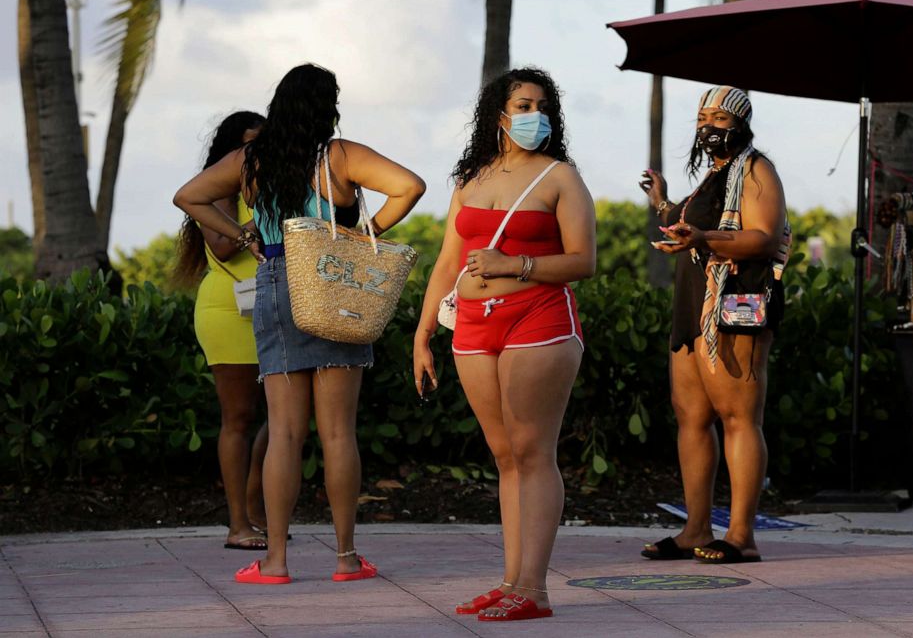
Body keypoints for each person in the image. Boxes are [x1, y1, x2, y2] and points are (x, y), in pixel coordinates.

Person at [175, 63, 425, 584]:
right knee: (338, 433)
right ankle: (346, 559)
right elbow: (410, 186)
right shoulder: (339, 155)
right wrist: (365, 234)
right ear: (327, 107)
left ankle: (276, 561)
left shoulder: (251, 159)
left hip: (276, 278)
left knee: (284, 432)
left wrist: (241, 236)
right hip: (334, 282)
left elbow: (189, 197)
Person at [413, 67, 596, 621]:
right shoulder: (471, 179)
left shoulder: (562, 178)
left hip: (537, 317)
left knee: (533, 450)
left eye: (541, 105)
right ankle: (512, 579)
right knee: (504, 455)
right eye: (522, 105)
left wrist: (514, 264)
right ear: (499, 114)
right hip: (471, 323)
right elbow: (448, 261)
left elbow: (583, 261)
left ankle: (534, 590)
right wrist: (422, 332)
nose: (532, 114)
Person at [639, 86, 790, 565]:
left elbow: (764, 238)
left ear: (742, 123)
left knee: (739, 417)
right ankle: (695, 529)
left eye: (721, 116)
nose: (710, 125)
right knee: (692, 418)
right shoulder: (715, 176)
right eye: (703, 116)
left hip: (733, 305)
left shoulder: (756, 169)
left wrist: (703, 236)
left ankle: (741, 535)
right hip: (693, 306)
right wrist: (664, 205)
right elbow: (690, 225)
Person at [173, 111, 270, 551]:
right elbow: (224, 247)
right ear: (231, 149)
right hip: (229, 309)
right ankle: (239, 523)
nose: (258, 152)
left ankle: (255, 499)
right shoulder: (220, 191)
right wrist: (264, 215)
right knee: (239, 417)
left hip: (271, 303)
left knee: (287, 413)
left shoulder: (266, 185)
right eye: (250, 144)